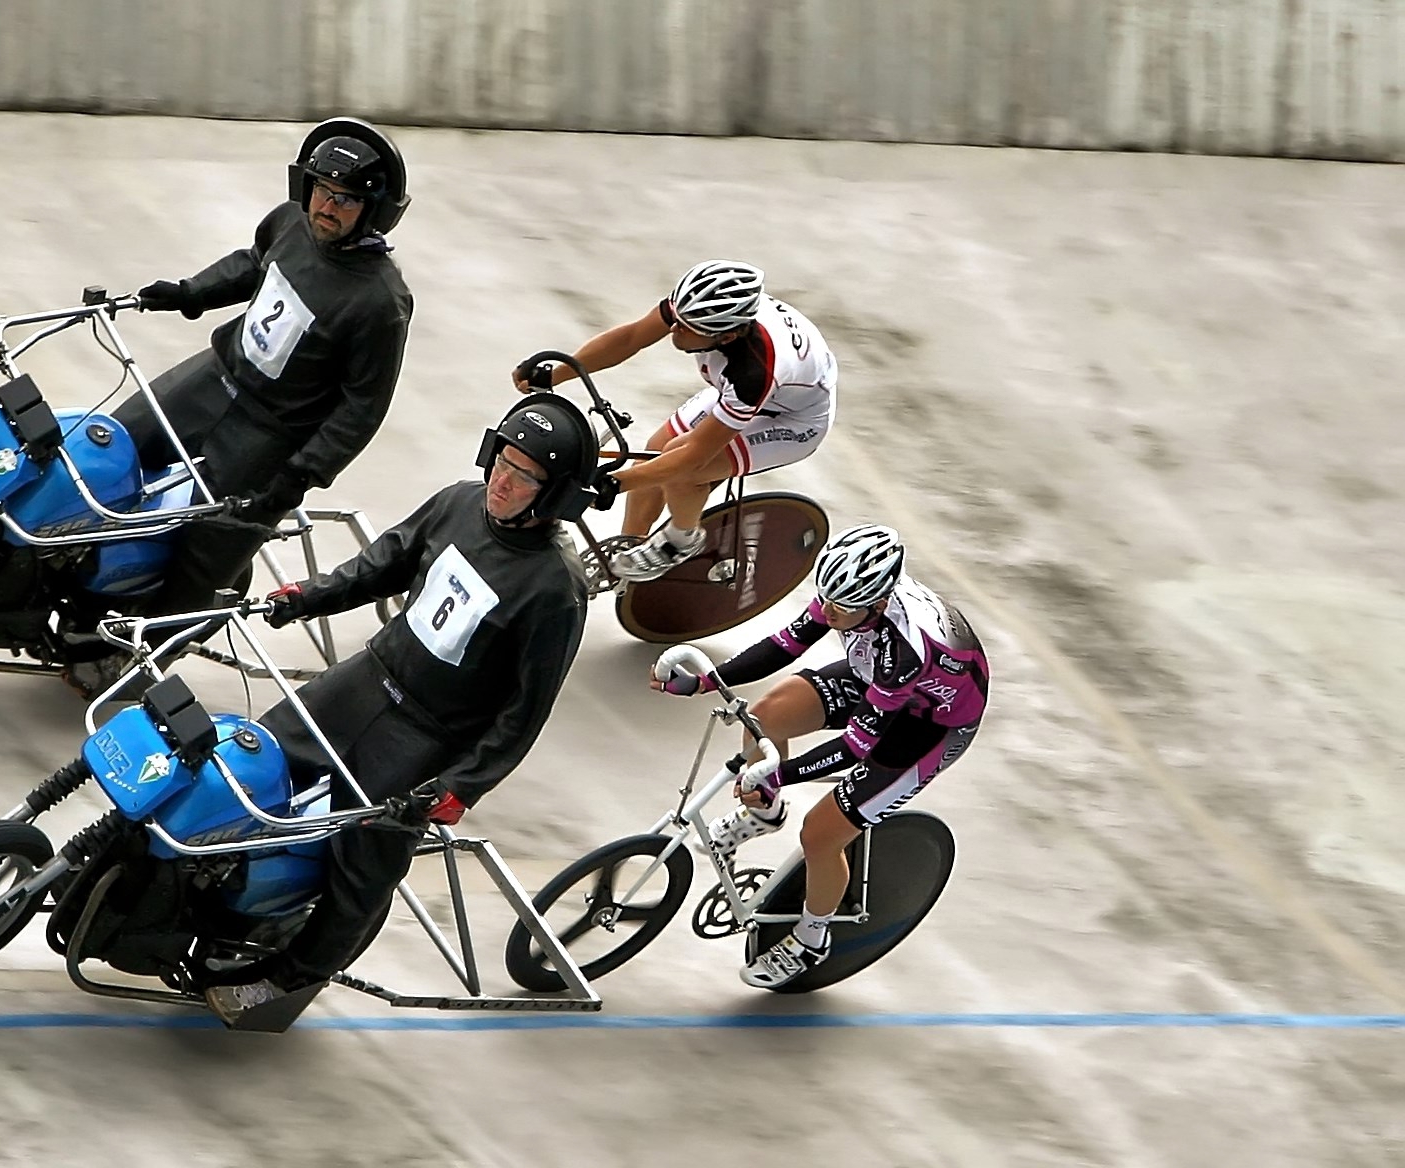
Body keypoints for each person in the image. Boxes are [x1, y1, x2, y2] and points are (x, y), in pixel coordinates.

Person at [203, 395, 603, 1022]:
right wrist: (304, 597)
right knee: (244, 759)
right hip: (365, 680)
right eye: (504, 459)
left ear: (555, 495)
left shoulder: (555, 589)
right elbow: (382, 564)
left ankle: (290, 980)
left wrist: (459, 788)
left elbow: (524, 711)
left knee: (364, 859)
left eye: (527, 475)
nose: (504, 479)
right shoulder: (458, 503)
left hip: (423, 736)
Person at [71, 118, 415, 696]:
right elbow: (252, 264)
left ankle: (138, 659)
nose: (327, 206)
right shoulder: (291, 224)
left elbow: (361, 409)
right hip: (211, 379)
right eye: (320, 189)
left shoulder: (380, 303)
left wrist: (297, 479)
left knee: (207, 554)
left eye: (346, 198)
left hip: (266, 433)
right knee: (102, 449)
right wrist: (188, 293)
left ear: (374, 210)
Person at [650, 524, 988, 988]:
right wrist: (707, 681)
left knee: (822, 834)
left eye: (838, 607)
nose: (825, 612)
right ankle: (764, 817)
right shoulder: (848, 594)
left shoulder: (902, 650)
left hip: (929, 726)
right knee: (766, 716)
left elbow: (856, 746)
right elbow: (785, 645)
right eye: (822, 598)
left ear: (879, 603)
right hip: (882, 685)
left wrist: (780, 774)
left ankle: (812, 938)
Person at [513, 260, 838, 583]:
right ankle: (627, 550)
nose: (673, 328)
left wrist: (616, 483)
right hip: (748, 390)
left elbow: (692, 457)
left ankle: (682, 538)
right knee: (656, 450)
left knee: (684, 471)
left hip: (794, 420)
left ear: (727, 336)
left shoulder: (752, 374)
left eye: (686, 327)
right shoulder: (699, 309)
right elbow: (631, 338)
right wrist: (554, 374)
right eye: (676, 318)